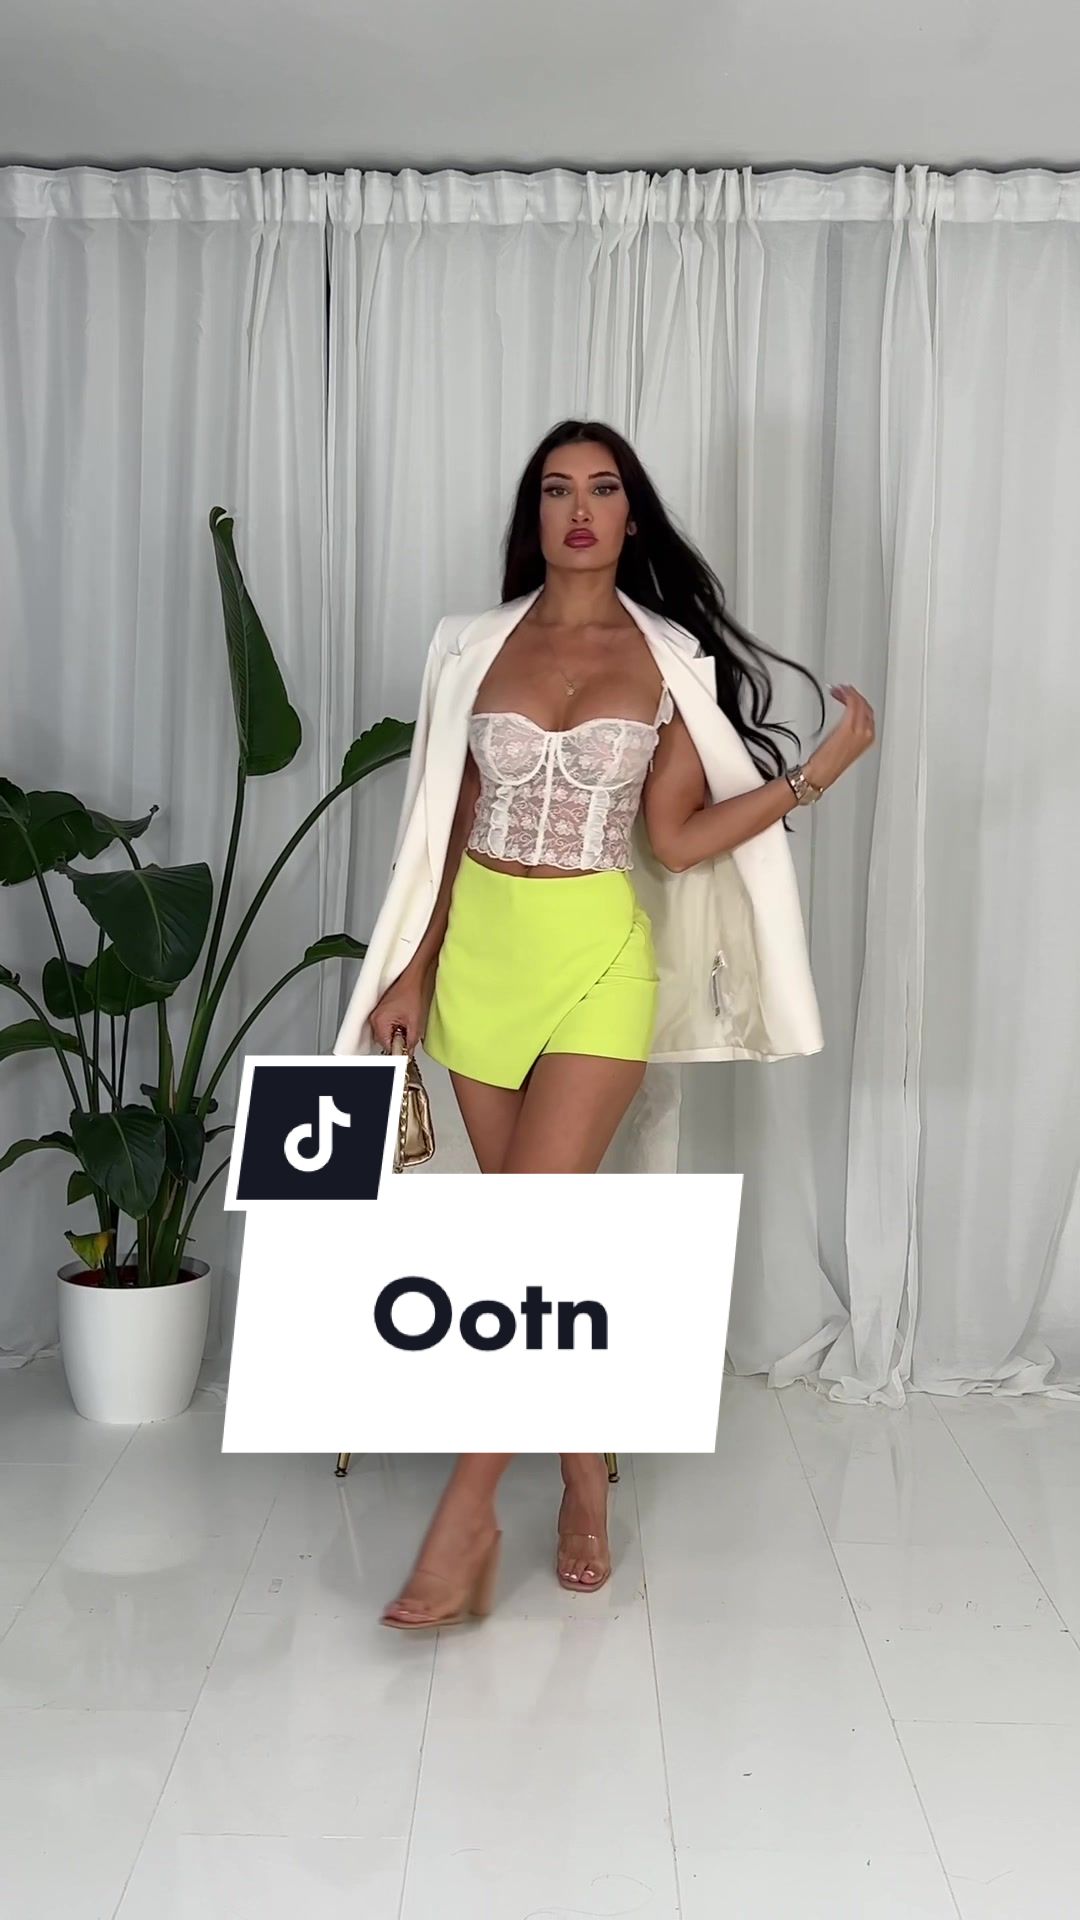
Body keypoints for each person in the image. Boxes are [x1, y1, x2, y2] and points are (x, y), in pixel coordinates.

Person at [359, 419, 875, 1629]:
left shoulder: (666, 657)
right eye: (558, 489)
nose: (580, 509)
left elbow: (676, 841)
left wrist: (819, 771)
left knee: (529, 1238)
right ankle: (583, 1476)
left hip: (598, 960)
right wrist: (413, 971)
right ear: (534, 515)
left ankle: (466, 1518)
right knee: (534, 1253)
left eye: (602, 489)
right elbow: (447, 822)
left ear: (631, 516)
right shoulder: (472, 647)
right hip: (479, 963)